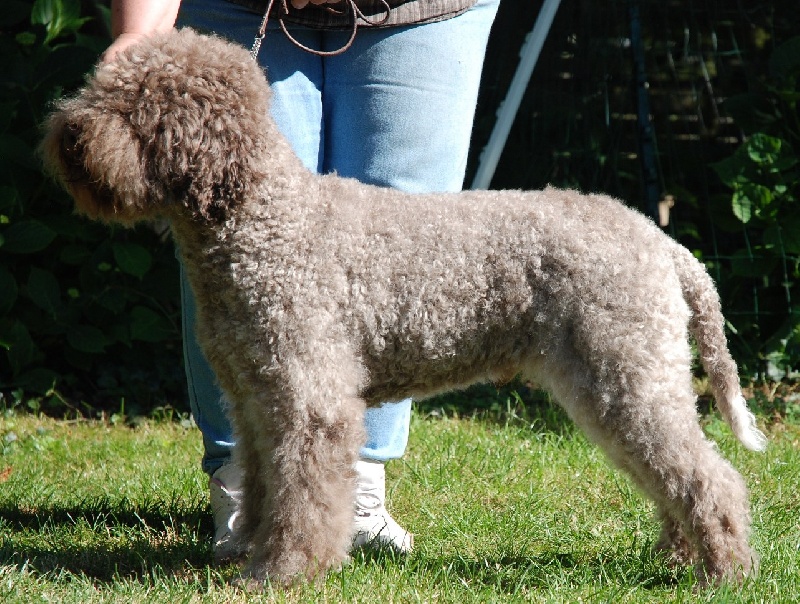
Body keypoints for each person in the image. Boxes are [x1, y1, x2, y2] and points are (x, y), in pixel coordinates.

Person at [104, 0, 500, 561]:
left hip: (421, 11)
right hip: (246, 8)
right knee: (245, 257)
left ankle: (338, 507)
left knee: (400, 251)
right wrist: (138, 35)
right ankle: (249, 494)